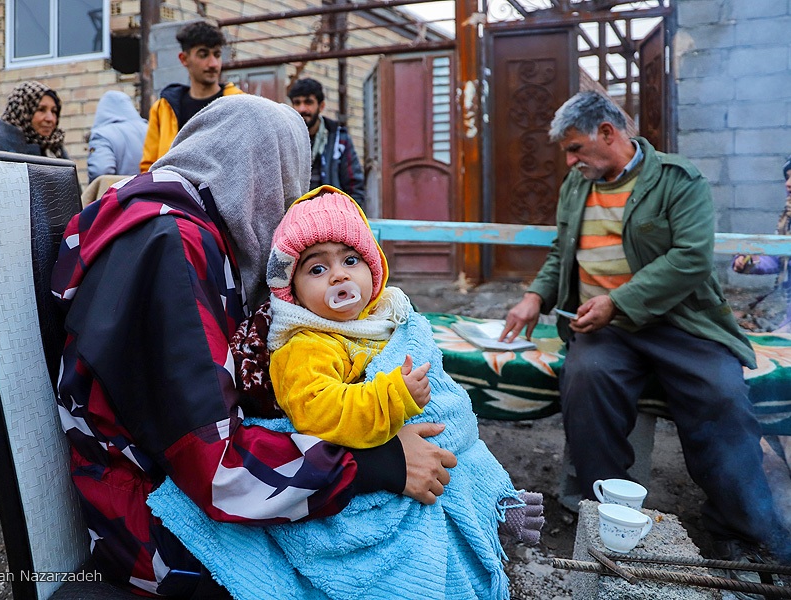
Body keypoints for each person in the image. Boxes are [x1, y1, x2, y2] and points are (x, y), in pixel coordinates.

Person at [51, 95, 456, 597]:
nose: (286, 212)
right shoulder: (169, 249)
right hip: (150, 525)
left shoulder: (184, 229)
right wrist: (379, 464)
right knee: (402, 535)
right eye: (289, 187)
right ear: (260, 177)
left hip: (167, 482)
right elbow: (220, 471)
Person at [146, 186, 543, 599]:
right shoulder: (305, 344)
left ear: (374, 271)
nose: (338, 276)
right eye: (316, 270)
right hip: (365, 462)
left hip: (413, 435)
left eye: (351, 260)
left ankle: (493, 501)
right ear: (292, 291)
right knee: (422, 499)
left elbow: (443, 392)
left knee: (456, 435)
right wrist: (392, 398)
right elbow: (317, 413)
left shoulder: (386, 318)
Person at [500, 91, 791, 571]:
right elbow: (562, 251)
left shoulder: (678, 180)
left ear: (608, 134)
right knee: (586, 381)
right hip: (603, 329)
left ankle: (740, 527)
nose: (570, 161)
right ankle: (605, 516)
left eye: (575, 148)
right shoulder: (578, 185)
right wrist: (536, 296)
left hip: (679, 323)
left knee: (720, 397)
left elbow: (691, 259)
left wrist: (619, 301)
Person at [139, 20, 243, 173]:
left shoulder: (238, 104)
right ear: (184, 59)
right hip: (173, 193)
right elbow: (149, 167)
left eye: (217, 54)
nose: (213, 63)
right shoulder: (164, 109)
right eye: (203, 55)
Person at [731, 155, 791, 332]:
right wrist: (752, 261)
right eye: (787, 177)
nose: (787, 184)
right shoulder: (787, 219)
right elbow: (780, 257)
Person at [287, 78, 366, 206]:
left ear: (321, 106)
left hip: (331, 214)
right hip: (296, 215)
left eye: (308, 102)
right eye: (297, 103)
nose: (302, 109)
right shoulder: (287, 138)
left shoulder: (338, 139)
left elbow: (354, 186)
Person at [0, 80, 68, 158]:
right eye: (41, 110)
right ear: (22, 112)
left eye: (54, 111)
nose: (50, 119)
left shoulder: (54, 150)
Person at [86, 90, 148, 184]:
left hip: (121, 196)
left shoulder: (101, 135)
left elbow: (101, 171)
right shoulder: (148, 129)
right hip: (153, 194)